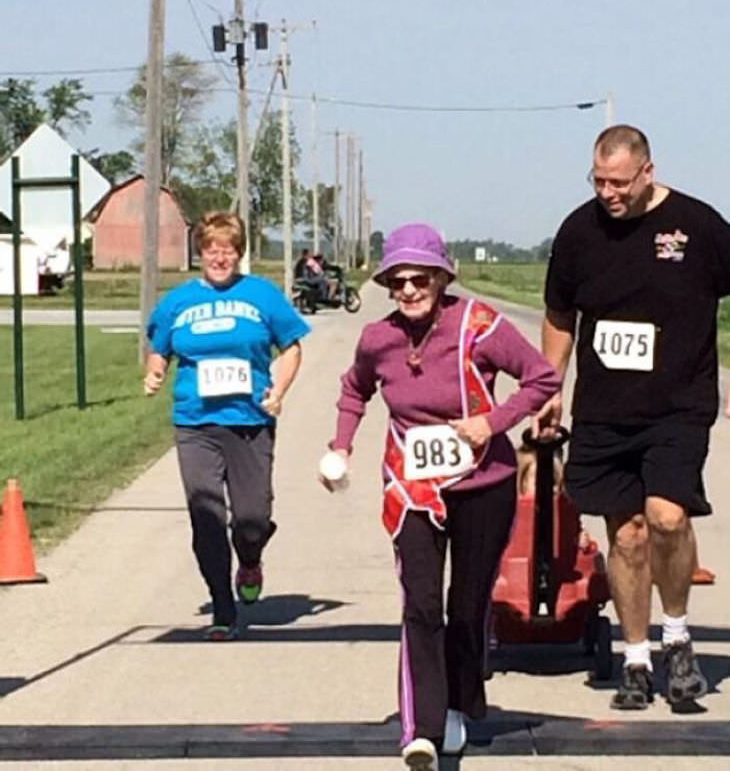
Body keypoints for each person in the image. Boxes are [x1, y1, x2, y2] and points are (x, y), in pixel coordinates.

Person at [321, 223, 560, 770]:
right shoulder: (378, 340)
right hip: (412, 489)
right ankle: (421, 728)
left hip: (484, 484)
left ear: (441, 276)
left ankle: (458, 701)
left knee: (467, 606)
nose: (408, 289)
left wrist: (493, 421)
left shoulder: (479, 326)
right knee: (422, 604)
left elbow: (541, 379)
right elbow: (354, 390)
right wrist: (341, 446)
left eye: (419, 278)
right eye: (398, 280)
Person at [533, 124, 730, 710]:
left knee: (668, 518)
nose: (608, 193)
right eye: (598, 181)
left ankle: (677, 636)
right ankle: (638, 657)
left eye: (619, 182)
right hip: (605, 409)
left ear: (648, 171)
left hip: (678, 406)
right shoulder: (579, 231)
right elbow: (559, 312)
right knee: (628, 534)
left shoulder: (699, 228)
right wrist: (551, 386)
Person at [143, 211, 310, 640]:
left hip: (250, 421)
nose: (220, 257)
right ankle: (222, 607)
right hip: (196, 423)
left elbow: (291, 348)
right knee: (206, 516)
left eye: (229, 249)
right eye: (212, 249)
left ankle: (250, 556)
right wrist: (155, 371)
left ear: (240, 253)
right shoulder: (177, 303)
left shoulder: (261, 295)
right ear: (200, 252)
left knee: (252, 517)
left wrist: (279, 390)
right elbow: (159, 349)